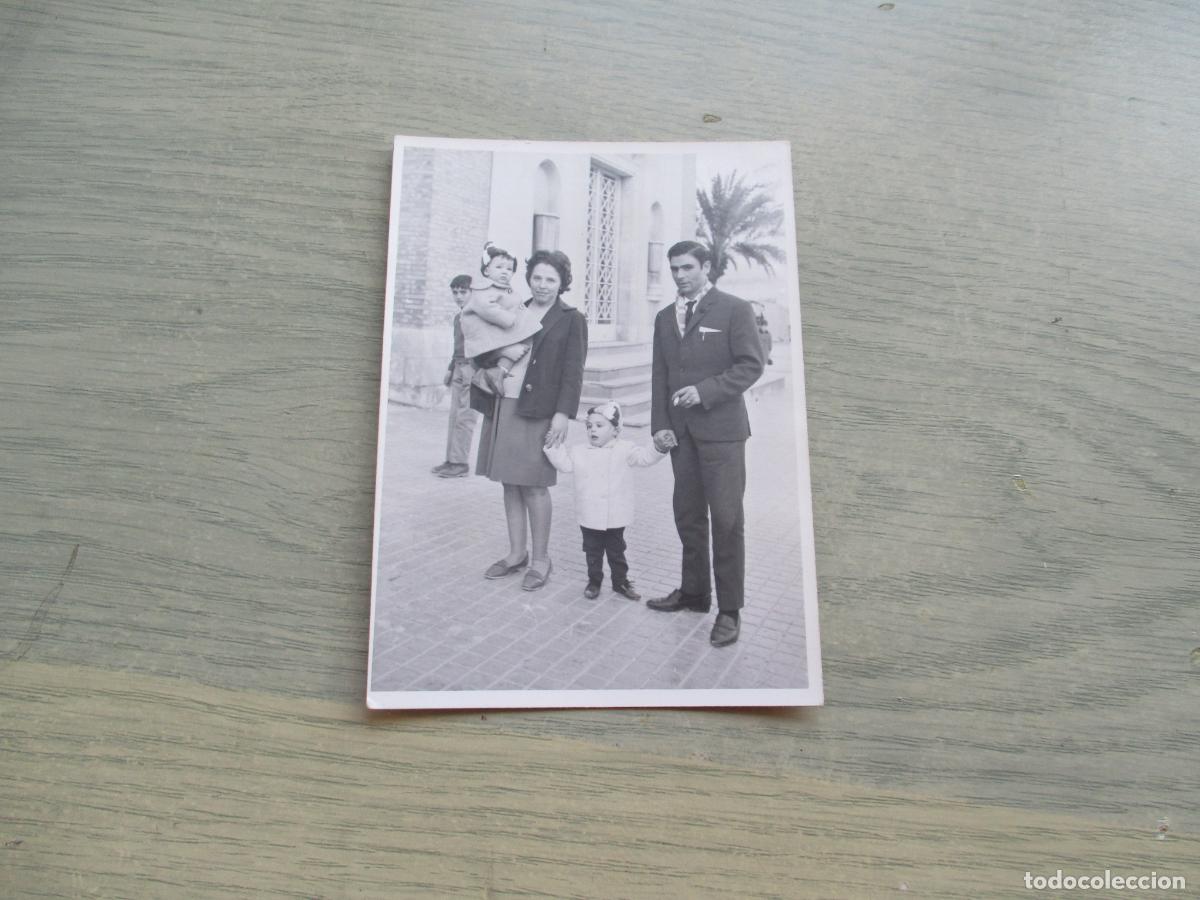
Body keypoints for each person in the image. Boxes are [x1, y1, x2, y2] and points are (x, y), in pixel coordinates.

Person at [647, 240, 766, 647]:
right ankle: (695, 593)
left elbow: (751, 364)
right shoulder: (665, 318)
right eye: (674, 269)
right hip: (682, 435)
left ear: (707, 267)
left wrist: (706, 391)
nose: (680, 276)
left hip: (724, 434)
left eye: (687, 268)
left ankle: (730, 611)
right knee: (688, 515)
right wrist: (660, 426)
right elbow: (660, 375)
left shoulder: (734, 309)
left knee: (727, 520)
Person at [470, 249, 587, 591]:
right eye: (537, 277)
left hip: (539, 410)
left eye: (551, 279)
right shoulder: (514, 309)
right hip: (504, 403)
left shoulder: (570, 318)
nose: (543, 285)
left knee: (535, 485)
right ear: (529, 279)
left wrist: (562, 415)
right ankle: (516, 553)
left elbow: (573, 371)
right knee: (509, 482)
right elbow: (486, 345)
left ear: (562, 282)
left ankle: (541, 559)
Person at [544, 401, 668, 600]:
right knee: (592, 551)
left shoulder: (625, 449)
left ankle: (621, 582)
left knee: (616, 551)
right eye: (589, 426)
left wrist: (658, 448)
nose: (593, 430)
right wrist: (553, 447)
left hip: (615, 515)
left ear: (616, 430)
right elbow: (565, 465)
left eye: (599, 426)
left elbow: (644, 458)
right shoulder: (579, 451)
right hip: (589, 514)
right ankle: (594, 581)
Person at [460, 242, 544, 393]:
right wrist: (508, 319)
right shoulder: (482, 289)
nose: (504, 272)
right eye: (499, 267)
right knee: (523, 336)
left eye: (509, 269)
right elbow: (486, 307)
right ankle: (492, 372)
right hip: (486, 333)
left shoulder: (505, 291)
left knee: (526, 338)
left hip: (499, 332)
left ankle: (499, 372)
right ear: (486, 270)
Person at [431, 274, 480, 478]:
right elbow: (457, 348)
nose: (459, 296)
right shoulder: (457, 317)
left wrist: (477, 370)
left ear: (472, 293)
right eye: (455, 292)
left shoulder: (479, 318)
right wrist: (451, 369)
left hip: (473, 369)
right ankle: (451, 460)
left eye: (463, 292)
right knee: (454, 416)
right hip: (459, 367)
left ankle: (461, 464)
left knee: (465, 417)